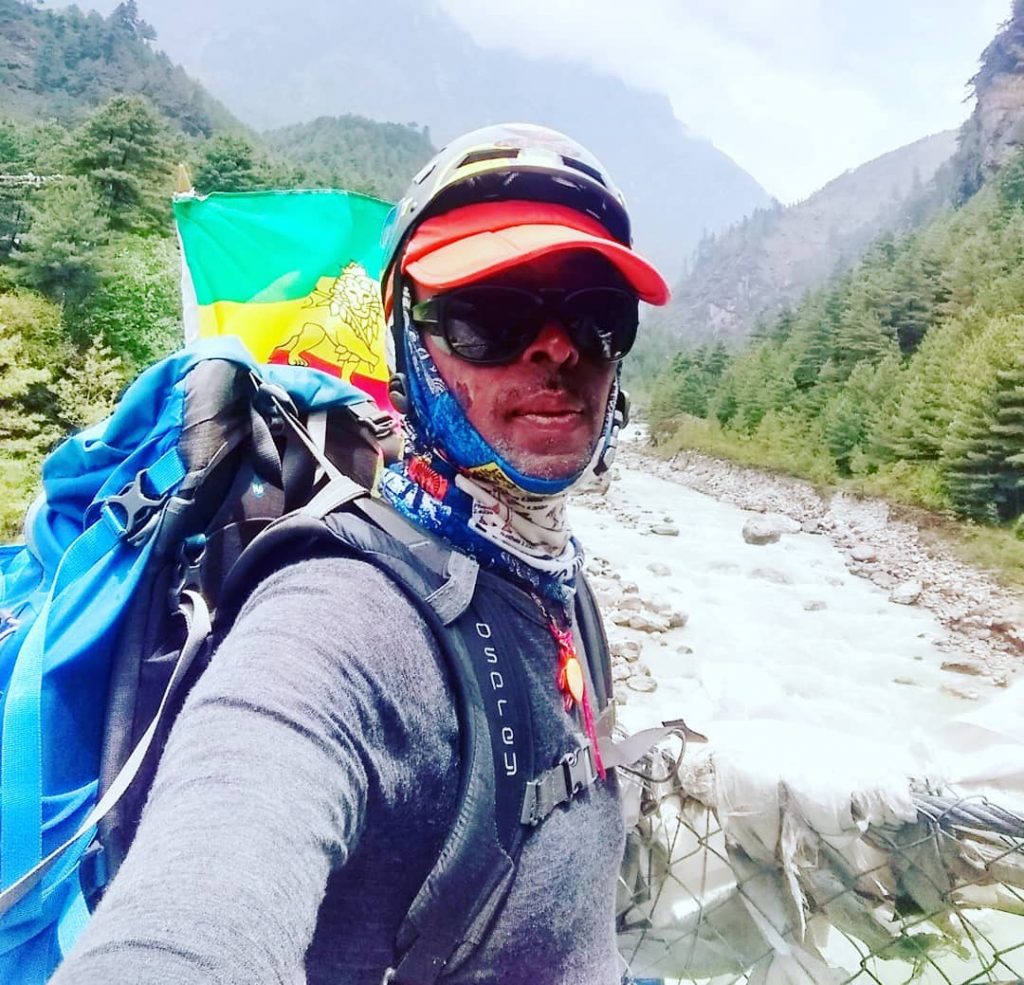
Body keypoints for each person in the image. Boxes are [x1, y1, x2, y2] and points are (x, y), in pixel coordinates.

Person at [48, 123, 670, 985]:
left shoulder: (548, 576)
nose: (558, 347)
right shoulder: (340, 623)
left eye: (595, 313)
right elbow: (198, 907)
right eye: (492, 311)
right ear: (406, 344)